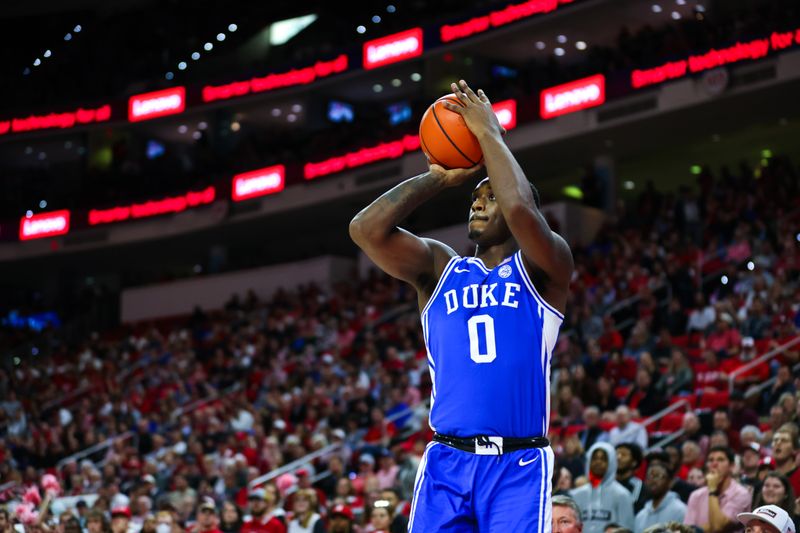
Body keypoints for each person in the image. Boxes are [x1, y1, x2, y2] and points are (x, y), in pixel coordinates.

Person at [350, 79, 573, 531]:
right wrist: (437, 177)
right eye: (475, 196)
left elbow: (522, 212)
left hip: (518, 462)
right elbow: (365, 230)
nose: (478, 202)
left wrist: (489, 134)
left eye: (490, 196)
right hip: (447, 461)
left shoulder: (545, 267)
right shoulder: (439, 268)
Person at [569, 442, 635, 533]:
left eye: (603, 459)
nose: (598, 462)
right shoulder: (576, 495)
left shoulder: (622, 495)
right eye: (594, 458)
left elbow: (627, 529)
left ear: (611, 462)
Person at [684, 446, 751, 533]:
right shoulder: (696, 495)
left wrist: (712, 489)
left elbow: (717, 527)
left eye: (720, 460)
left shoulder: (741, 494)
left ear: (731, 466)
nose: (714, 464)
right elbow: (688, 530)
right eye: (711, 460)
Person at [635, 462, 688, 532]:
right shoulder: (641, 515)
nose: (652, 480)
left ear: (670, 482)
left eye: (657, 476)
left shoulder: (681, 510)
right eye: (649, 476)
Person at [771, 424, 800, 495]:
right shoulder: (766, 474)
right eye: (775, 440)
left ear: (795, 449)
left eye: (784, 441)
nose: (778, 443)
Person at [615, 443, 644, 508]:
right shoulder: (605, 482)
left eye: (624, 455)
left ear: (634, 463)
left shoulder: (639, 487)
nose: (618, 457)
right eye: (616, 454)